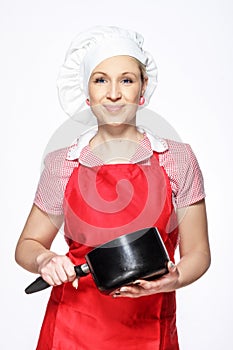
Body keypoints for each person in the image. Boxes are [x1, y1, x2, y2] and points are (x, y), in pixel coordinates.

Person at [15, 26, 211, 350]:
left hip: (149, 328)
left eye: (127, 80)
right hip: (70, 331)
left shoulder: (177, 159)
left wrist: (172, 280)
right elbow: (28, 243)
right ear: (87, 91)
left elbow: (199, 253)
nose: (114, 93)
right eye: (101, 79)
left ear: (143, 87)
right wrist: (44, 260)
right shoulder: (63, 163)